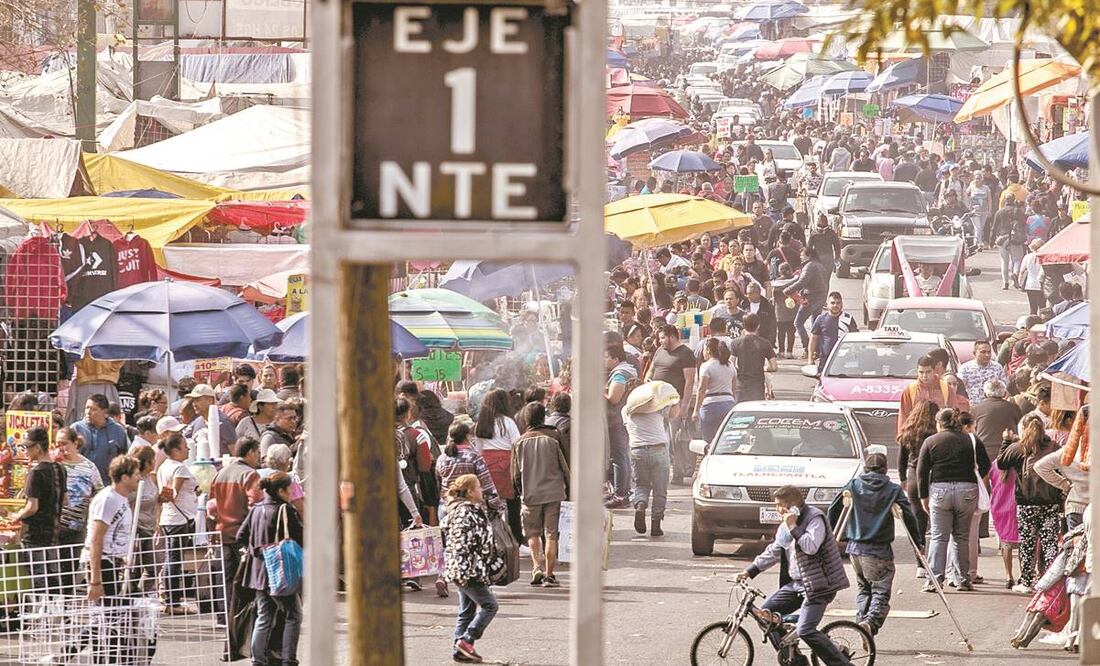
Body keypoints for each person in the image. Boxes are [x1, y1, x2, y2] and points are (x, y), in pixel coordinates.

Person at [736, 485, 852, 666]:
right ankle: (796, 661)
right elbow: (775, 550)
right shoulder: (785, 526)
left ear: (792, 507)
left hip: (819, 585)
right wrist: (750, 571)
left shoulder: (815, 519)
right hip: (796, 584)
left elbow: (810, 547)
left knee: (806, 630)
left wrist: (793, 525)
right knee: (765, 616)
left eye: (779, 506)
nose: (777, 510)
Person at [828, 452, 923, 636]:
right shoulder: (892, 489)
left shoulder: (854, 485)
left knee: (864, 589)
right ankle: (869, 624)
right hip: (878, 550)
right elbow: (909, 515)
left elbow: (834, 507)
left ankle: (861, 625)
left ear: (865, 468)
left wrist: (835, 534)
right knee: (880, 591)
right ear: (886, 469)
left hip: (855, 549)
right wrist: (917, 543)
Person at [916, 407, 991, 592]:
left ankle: (934, 580)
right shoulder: (971, 440)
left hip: (939, 491)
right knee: (961, 537)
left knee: (939, 537)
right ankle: (962, 579)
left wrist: (924, 497)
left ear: (940, 422)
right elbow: (986, 465)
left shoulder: (931, 441)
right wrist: (974, 480)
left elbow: (922, 472)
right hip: (967, 490)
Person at [237, 471, 304, 666]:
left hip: (258, 573)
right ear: (281, 490)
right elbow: (301, 538)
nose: (291, 492)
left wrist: (257, 551)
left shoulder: (256, 509)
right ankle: (289, 659)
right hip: (281, 573)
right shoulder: (285, 510)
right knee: (294, 615)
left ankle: (257, 660)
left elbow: (241, 536)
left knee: (264, 615)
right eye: (289, 489)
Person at [997, 414, 1065, 594]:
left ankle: (1026, 581)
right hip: (1050, 502)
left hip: (1026, 503)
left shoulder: (1018, 447)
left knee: (1027, 542)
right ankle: (1052, 581)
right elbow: (1062, 468)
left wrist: (1006, 441)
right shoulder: (1052, 447)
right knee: (1049, 542)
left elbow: (1002, 463)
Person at [441, 474, 498, 664]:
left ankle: (459, 650)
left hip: (457, 568)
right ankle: (467, 640)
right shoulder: (470, 511)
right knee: (490, 605)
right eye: (479, 487)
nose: (482, 490)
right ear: (471, 492)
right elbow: (478, 541)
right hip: (469, 569)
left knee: (466, 611)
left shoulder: (455, 510)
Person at [510, 402, 569, 588]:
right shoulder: (554, 438)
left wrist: (521, 492)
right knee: (551, 534)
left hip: (530, 494)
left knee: (532, 533)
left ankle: (537, 567)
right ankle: (550, 575)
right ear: (543, 417)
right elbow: (565, 467)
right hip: (554, 493)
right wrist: (569, 489)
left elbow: (515, 475)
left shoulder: (518, 442)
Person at [210, 436, 263, 615]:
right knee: (244, 579)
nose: (259, 457)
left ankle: (223, 616)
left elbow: (212, 504)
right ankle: (239, 616)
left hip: (221, 532)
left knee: (225, 578)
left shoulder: (220, 473)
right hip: (242, 534)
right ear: (250, 452)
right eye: (257, 453)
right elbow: (255, 502)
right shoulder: (250, 474)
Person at [622, 382, 679, 537]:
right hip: (658, 449)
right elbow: (674, 414)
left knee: (641, 485)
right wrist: (674, 400)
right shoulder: (657, 407)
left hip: (637, 451)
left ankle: (640, 505)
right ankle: (656, 525)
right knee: (660, 490)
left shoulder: (625, 410)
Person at [12, 427, 67, 591]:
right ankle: (57, 613)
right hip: (53, 533)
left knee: (38, 581)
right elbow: (65, 499)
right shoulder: (60, 469)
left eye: (27, 447)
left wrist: (17, 515)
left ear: (37, 447)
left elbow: (32, 507)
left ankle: (41, 614)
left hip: (34, 536)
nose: (26, 451)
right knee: (53, 578)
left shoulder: (36, 473)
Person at [82, 455, 141, 603]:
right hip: (102, 561)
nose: (139, 478)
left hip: (114, 561)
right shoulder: (108, 499)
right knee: (106, 614)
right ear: (124, 478)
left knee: (116, 613)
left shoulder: (122, 498)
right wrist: (96, 580)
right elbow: (96, 538)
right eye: (136, 474)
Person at [644, 325, 697, 486]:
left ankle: (679, 472)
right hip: (656, 403)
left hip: (675, 402)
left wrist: (684, 406)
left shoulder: (685, 354)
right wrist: (648, 380)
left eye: (662, 338)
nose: (660, 341)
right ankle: (659, 471)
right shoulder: (660, 351)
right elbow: (651, 370)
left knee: (676, 440)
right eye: (659, 338)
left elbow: (689, 382)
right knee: (658, 438)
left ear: (672, 337)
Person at [56, 426, 104, 591]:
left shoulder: (89, 467)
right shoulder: (54, 464)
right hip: (55, 524)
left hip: (76, 526)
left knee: (69, 567)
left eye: (64, 443)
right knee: (54, 568)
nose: (61, 448)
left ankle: (67, 608)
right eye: (57, 444)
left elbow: (99, 492)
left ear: (75, 443)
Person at [157, 432, 198, 614]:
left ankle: (169, 598)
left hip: (169, 518)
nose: (188, 448)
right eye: (185, 446)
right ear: (175, 450)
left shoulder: (163, 467)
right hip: (179, 519)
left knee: (171, 558)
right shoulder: (179, 468)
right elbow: (174, 492)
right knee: (174, 560)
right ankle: (172, 602)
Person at [473, 389, 522, 543]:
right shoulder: (507, 422)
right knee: (512, 502)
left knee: (488, 502)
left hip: (486, 465)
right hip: (506, 464)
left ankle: (489, 537)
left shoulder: (481, 423)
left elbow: (478, 448)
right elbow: (517, 443)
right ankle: (515, 537)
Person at [896, 400, 938, 574]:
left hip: (913, 475)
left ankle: (920, 564)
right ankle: (939, 562)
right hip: (934, 475)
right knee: (938, 522)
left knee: (918, 521)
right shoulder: (935, 433)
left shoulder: (908, 431)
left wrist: (902, 479)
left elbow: (901, 459)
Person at [897, 356, 965, 435]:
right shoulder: (910, 390)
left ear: (934, 371)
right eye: (921, 372)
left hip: (939, 436)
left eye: (928, 372)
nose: (924, 376)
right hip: (917, 435)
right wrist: (902, 437)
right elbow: (903, 416)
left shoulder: (946, 389)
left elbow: (954, 414)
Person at [70, 394, 130, 484]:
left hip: (108, 484)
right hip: (80, 484)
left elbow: (124, 458)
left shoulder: (118, 431)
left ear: (104, 412)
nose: (88, 412)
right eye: (87, 408)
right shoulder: (76, 429)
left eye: (94, 409)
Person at [784, 248, 829, 358]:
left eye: (802, 254)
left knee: (798, 322)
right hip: (820, 297)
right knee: (815, 325)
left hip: (811, 298)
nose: (800, 256)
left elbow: (802, 281)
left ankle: (807, 348)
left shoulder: (809, 266)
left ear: (808, 255)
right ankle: (816, 350)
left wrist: (788, 290)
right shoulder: (820, 265)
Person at [694, 337, 737, 443]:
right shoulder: (730, 365)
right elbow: (734, 387)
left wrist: (696, 410)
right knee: (726, 438)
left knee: (709, 440)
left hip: (710, 406)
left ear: (708, 349)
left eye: (704, 349)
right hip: (728, 403)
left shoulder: (706, 366)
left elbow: (701, 389)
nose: (703, 353)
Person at [729, 313, 778, 403]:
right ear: (758, 326)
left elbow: (731, 364)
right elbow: (774, 367)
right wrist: (765, 368)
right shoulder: (765, 343)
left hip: (740, 384)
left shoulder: (735, 343)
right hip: (757, 385)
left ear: (743, 326)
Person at [808, 292, 857, 371]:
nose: (835, 305)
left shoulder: (848, 319)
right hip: (826, 360)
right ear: (827, 304)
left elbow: (855, 338)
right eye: (832, 303)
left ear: (842, 304)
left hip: (845, 359)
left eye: (838, 303)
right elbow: (814, 338)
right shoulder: (821, 319)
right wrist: (810, 358)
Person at [992, 197, 1026, 289]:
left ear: (1005, 201)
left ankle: (1005, 283)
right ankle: (1015, 273)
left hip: (1002, 238)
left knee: (1004, 261)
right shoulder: (1018, 211)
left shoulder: (1000, 212)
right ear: (1014, 200)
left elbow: (994, 227)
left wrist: (991, 241)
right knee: (1017, 259)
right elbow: (1023, 223)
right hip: (1015, 237)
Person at [1018, 239, 1045, 315]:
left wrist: (1020, 282)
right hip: (1041, 284)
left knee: (1033, 307)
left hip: (1030, 284)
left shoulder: (1027, 257)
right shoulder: (1044, 257)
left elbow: (1022, 271)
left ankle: (1033, 322)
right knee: (1042, 306)